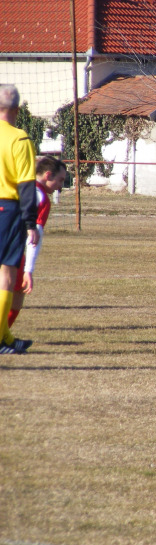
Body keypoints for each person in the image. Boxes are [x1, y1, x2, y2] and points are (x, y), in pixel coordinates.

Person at [0, 84, 39, 354]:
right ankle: (2, 338)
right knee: (6, 273)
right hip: (7, 209)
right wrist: (30, 223)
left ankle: (7, 339)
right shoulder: (19, 139)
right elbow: (26, 185)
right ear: (17, 108)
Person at [7, 156, 66, 328]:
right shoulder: (41, 197)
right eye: (60, 180)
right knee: (18, 292)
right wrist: (28, 271)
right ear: (48, 175)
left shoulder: (19, 186)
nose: (60, 186)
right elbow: (34, 238)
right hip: (10, 248)